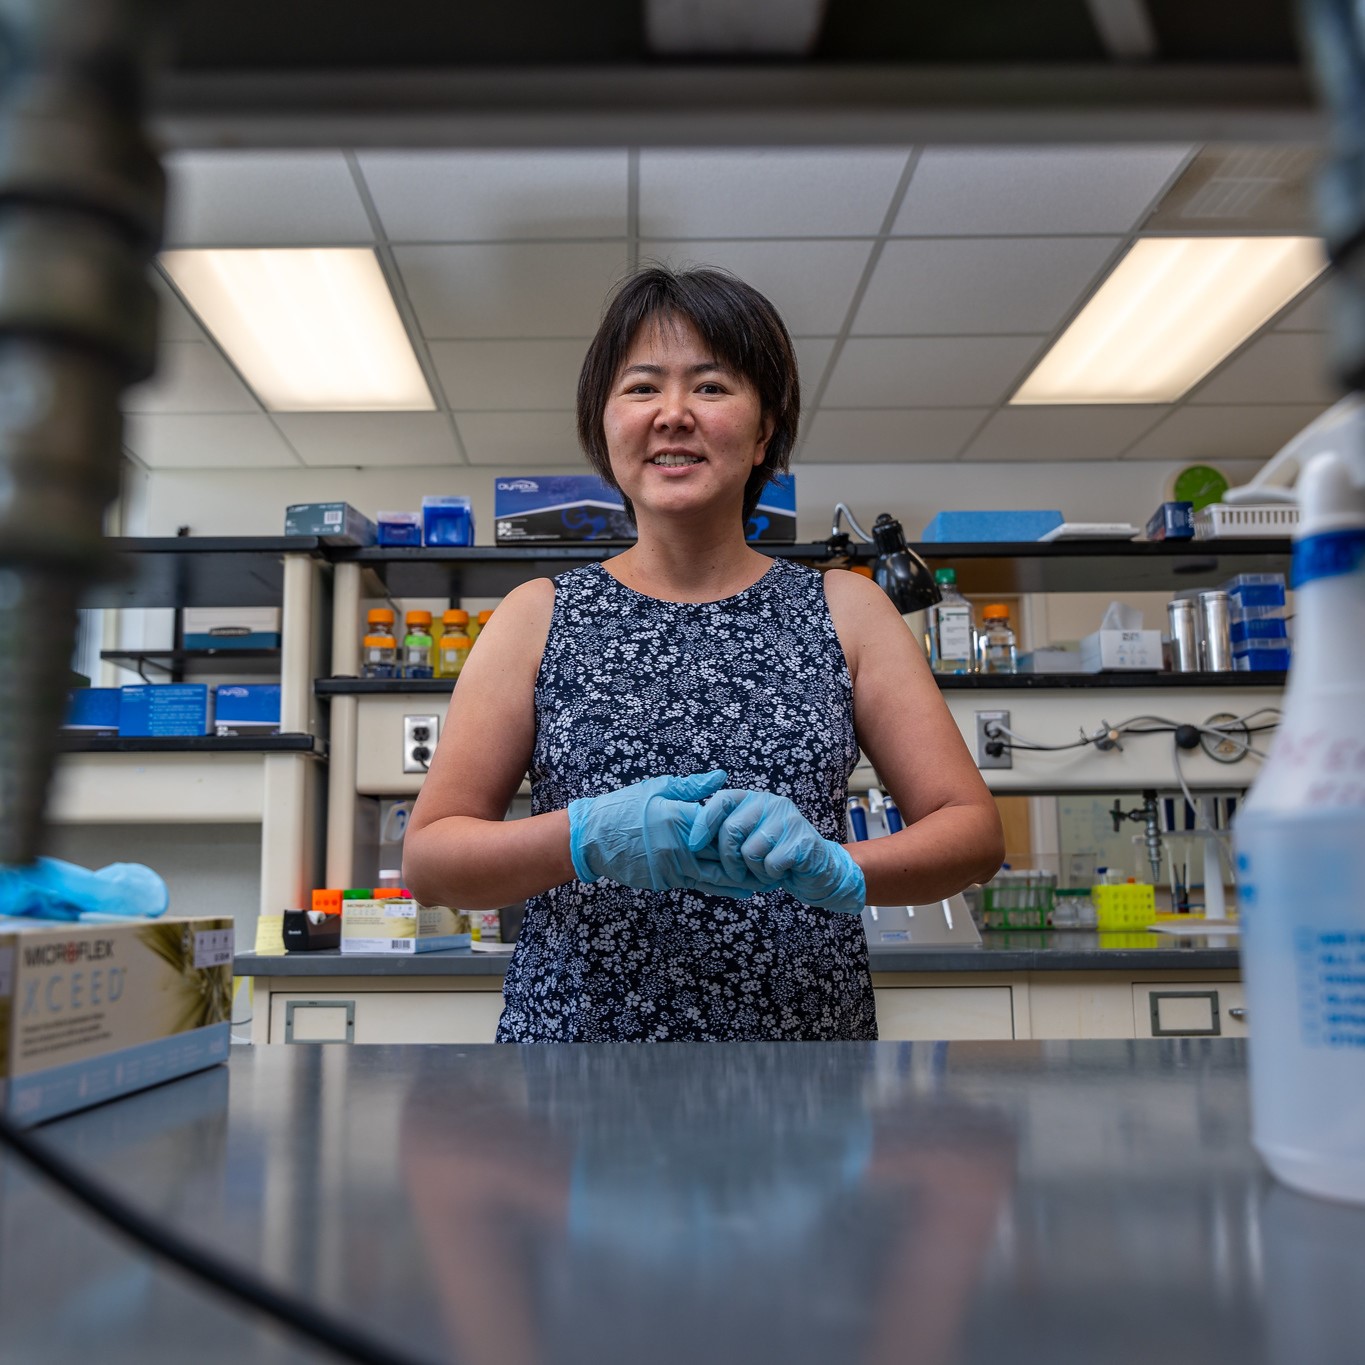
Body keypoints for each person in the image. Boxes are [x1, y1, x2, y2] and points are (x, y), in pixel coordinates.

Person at [404, 265, 1003, 1042]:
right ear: (604, 426)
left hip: (801, 1064)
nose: (673, 414)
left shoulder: (845, 609)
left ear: (763, 432)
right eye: (642, 386)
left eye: (712, 387)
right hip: (579, 1077)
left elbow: (971, 831)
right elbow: (432, 857)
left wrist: (840, 866)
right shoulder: (535, 616)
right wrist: (582, 835)